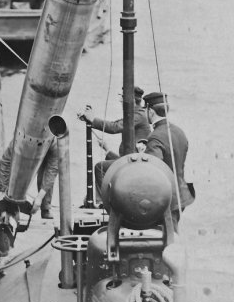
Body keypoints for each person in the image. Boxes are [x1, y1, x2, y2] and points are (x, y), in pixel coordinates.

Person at [79, 85, 151, 196]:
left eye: (122, 97)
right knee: (106, 164)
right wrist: (88, 119)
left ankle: (104, 201)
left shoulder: (138, 115)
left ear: (131, 100)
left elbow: (115, 127)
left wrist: (92, 119)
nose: (121, 101)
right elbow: (116, 124)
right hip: (130, 160)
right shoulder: (135, 114)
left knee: (100, 167)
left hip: (134, 163)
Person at [0, 138, 58, 219]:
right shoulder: (18, 140)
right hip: (22, 150)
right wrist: (4, 195)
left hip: (44, 152)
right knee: (0, 172)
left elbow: (52, 171)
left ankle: (45, 208)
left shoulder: (53, 145)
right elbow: (5, 165)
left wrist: (39, 197)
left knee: (47, 176)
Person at [143, 91, 194, 222]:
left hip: (165, 199)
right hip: (181, 194)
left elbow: (153, 170)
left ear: (150, 111)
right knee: (172, 230)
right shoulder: (179, 131)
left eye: (145, 110)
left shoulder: (155, 136)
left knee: (165, 232)